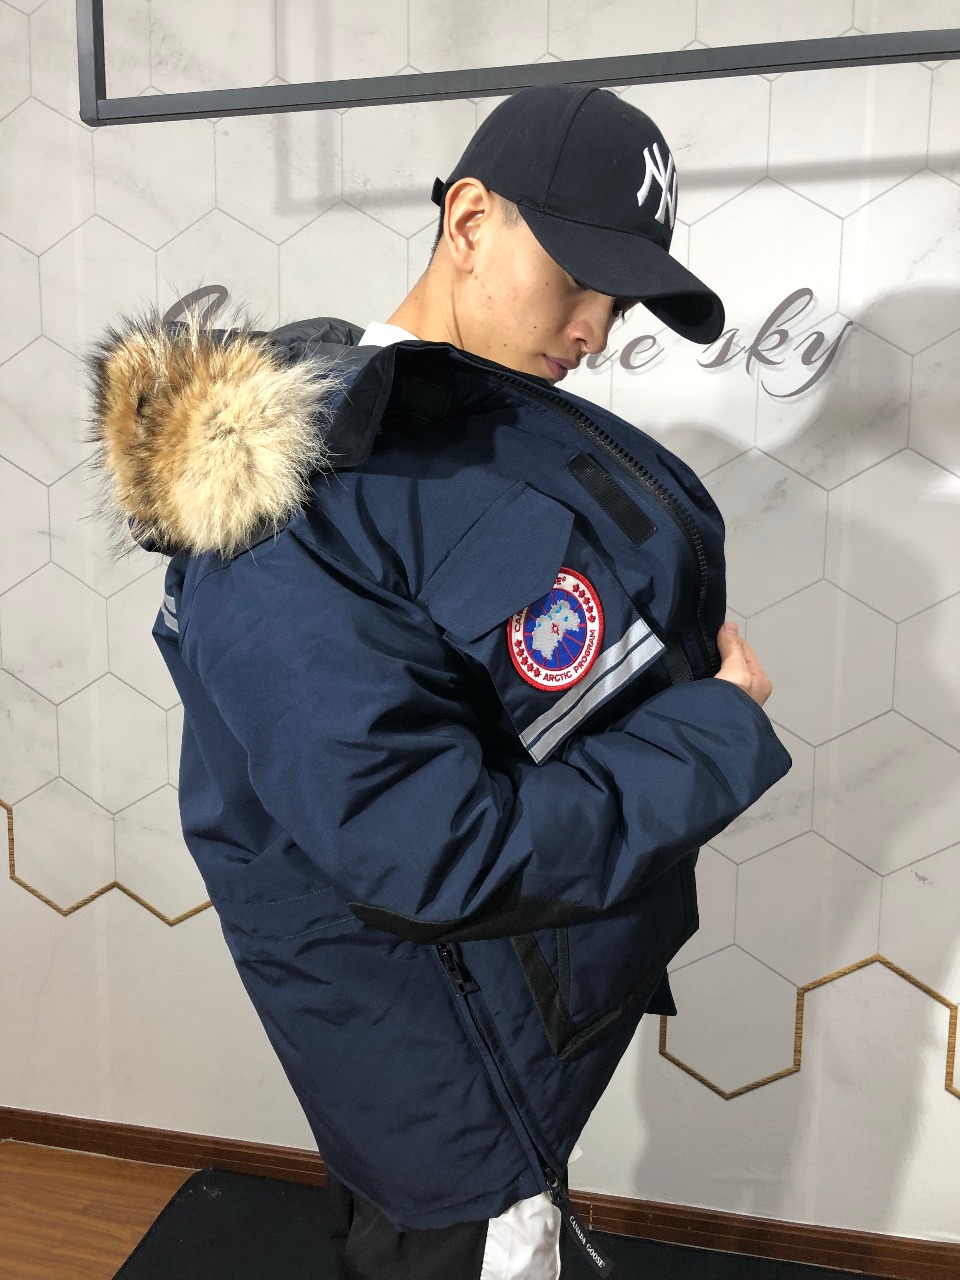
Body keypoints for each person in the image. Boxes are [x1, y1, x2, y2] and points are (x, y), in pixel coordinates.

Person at [89, 84, 791, 1280]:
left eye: (621, 299)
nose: (596, 327)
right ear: (469, 221)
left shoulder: (458, 427)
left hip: (509, 1013)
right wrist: (716, 733)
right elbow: (433, 852)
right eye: (578, 276)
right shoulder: (294, 505)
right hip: (451, 1070)